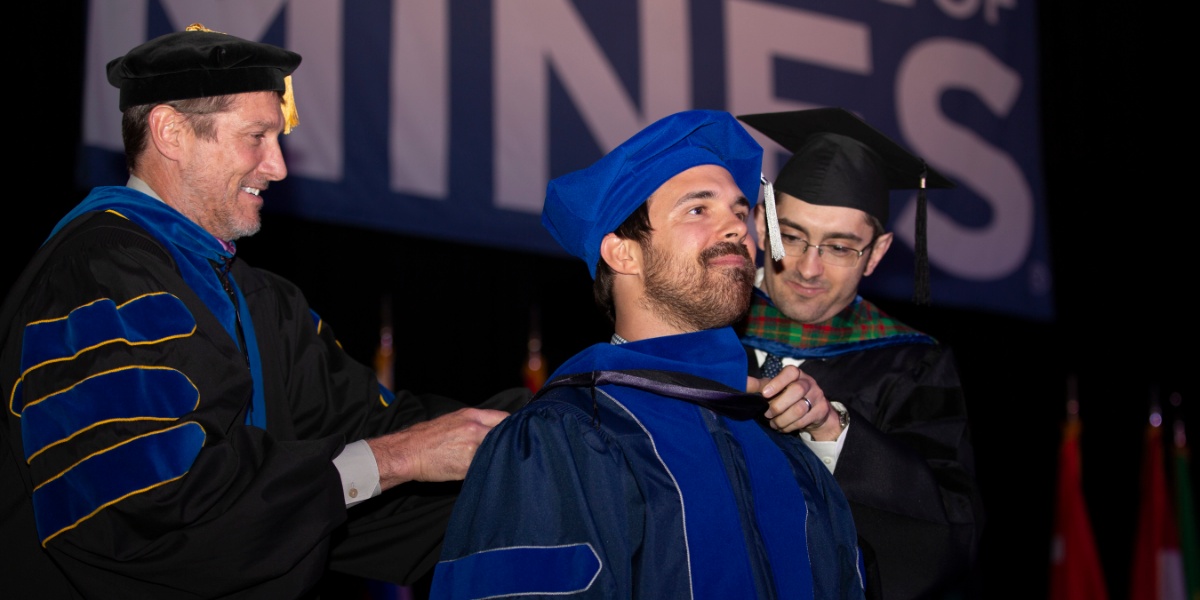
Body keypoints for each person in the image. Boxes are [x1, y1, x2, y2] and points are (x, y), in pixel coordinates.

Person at [0, 26, 524, 599]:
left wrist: (558, 431)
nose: (278, 166)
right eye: (257, 136)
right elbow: (143, 507)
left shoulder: (262, 301)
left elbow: (371, 438)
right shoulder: (97, 276)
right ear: (171, 132)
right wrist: (393, 459)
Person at [428, 110, 865, 599]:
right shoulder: (565, 436)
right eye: (698, 210)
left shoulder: (785, 445)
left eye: (741, 213)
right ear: (623, 254)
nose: (737, 230)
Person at [735, 107, 984, 600]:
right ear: (761, 225)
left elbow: (953, 533)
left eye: (841, 247)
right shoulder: (703, 334)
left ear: (877, 253)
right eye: (793, 235)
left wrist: (834, 431)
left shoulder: (913, 366)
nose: (808, 268)